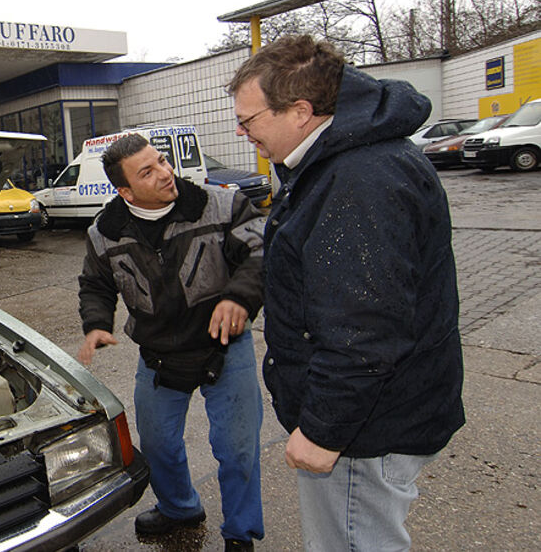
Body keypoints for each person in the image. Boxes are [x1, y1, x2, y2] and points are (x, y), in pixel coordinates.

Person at [227, 35, 465, 551]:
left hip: (363, 430)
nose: (243, 133)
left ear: (300, 111)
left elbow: (364, 330)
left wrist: (323, 432)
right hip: (375, 415)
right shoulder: (337, 161)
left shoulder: (356, 180)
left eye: (249, 121)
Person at [77, 134, 266, 551]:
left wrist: (239, 296)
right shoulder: (103, 234)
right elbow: (95, 285)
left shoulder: (222, 205)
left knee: (237, 450)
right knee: (158, 444)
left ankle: (240, 532)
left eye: (162, 161)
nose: (166, 173)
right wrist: (96, 322)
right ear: (124, 190)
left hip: (224, 346)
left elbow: (259, 251)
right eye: (148, 171)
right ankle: (180, 508)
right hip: (160, 356)